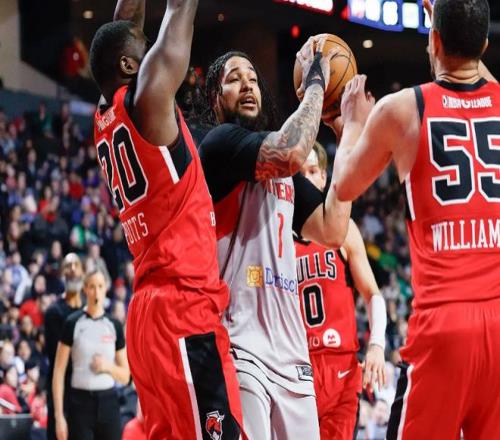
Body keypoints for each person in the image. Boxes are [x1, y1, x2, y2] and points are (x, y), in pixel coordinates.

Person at [329, 0, 500, 438]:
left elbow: (344, 186)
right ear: (484, 44)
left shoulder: (403, 108)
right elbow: (482, 75)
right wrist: (446, 23)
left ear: (434, 41)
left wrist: (352, 123)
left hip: (444, 325)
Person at [90, 0, 244, 438]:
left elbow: (124, 26)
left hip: (147, 315)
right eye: (144, 45)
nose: (150, 47)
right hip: (184, 309)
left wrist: (130, 32)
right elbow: (179, 11)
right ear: (129, 64)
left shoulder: (105, 114)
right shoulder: (151, 96)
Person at [198, 43, 352, 438]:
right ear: (216, 98)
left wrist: (346, 136)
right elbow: (292, 150)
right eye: (234, 80)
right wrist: (316, 82)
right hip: (240, 344)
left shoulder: (283, 171)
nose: (247, 85)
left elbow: (333, 229)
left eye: (253, 79)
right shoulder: (220, 144)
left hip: (292, 353)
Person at [295, 141, 387, 439]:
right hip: (295, 367)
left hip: (342, 367)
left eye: (313, 171)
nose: (306, 179)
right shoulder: (274, 235)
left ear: (324, 178)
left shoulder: (345, 231)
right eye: (299, 173)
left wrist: (376, 345)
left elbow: (373, 294)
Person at [52, 270, 129, 440]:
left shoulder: (114, 325)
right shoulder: (72, 323)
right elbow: (58, 373)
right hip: (80, 403)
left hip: (108, 403)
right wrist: (59, 416)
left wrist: (107, 367)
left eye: (100, 286)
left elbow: (126, 376)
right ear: (85, 289)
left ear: (106, 288)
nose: (96, 292)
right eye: (92, 287)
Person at [44, 253, 83, 440]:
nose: (73, 269)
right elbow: (59, 359)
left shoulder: (90, 311)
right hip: (62, 391)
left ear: (83, 272)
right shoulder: (53, 312)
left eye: (76, 265)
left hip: (85, 393)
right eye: (68, 265)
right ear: (62, 273)